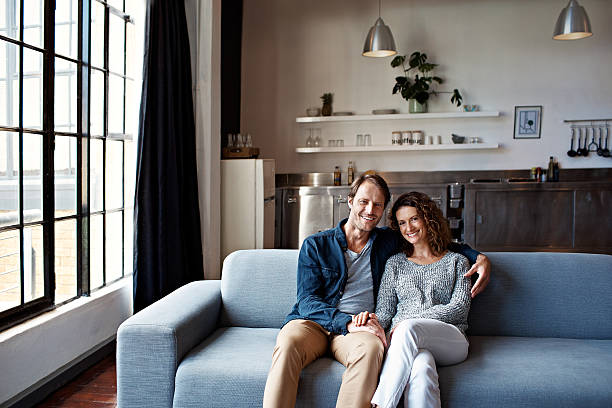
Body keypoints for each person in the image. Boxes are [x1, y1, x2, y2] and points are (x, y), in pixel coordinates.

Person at [262, 175, 490, 408]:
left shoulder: (388, 241)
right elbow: (307, 301)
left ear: (383, 209)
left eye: (377, 204)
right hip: (314, 322)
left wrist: (478, 257)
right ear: (350, 201)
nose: (370, 210)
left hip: (360, 327)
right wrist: (346, 321)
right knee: (288, 342)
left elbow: (429, 241)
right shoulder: (316, 244)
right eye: (363, 201)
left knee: (371, 349)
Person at [365, 191, 472, 408]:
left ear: (428, 219)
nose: (409, 228)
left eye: (414, 219)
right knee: (422, 367)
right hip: (408, 343)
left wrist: (408, 323)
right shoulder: (395, 263)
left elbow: (459, 308)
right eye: (402, 222)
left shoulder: (457, 262)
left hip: (450, 340)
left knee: (408, 328)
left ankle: (382, 405)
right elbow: (385, 311)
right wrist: (370, 324)